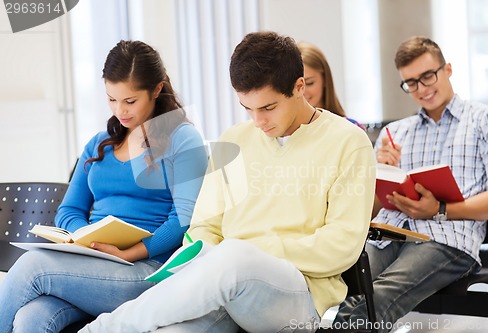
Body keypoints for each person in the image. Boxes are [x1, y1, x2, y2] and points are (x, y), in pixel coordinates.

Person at [78, 31, 376, 333]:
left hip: (298, 295)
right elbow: (203, 227)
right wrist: (208, 253)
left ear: (299, 87)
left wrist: (253, 252)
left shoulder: (348, 142)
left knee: (236, 255)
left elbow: (343, 244)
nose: (258, 121)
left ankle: (101, 330)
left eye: (268, 108)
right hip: (225, 285)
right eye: (247, 108)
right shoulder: (235, 140)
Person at [0, 40, 208, 332]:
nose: (119, 111)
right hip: (92, 264)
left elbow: (183, 221)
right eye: (112, 99)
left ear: (157, 90)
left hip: (146, 271)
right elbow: (69, 210)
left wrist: (126, 252)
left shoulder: (183, 139)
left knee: (30, 266)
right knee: (30, 318)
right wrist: (84, 239)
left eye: (130, 101)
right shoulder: (99, 143)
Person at [334, 36, 488, 332]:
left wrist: (439, 209)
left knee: (381, 295)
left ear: (447, 69)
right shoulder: (395, 133)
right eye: (411, 83)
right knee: (348, 291)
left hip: (447, 240)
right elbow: (369, 210)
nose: (422, 89)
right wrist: (379, 170)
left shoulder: (486, 121)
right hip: (388, 235)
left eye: (428, 76)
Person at [298, 41, 365, 130]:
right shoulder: (284, 134)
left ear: (325, 79)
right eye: (297, 86)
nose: (303, 91)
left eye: (310, 83)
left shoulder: (350, 128)